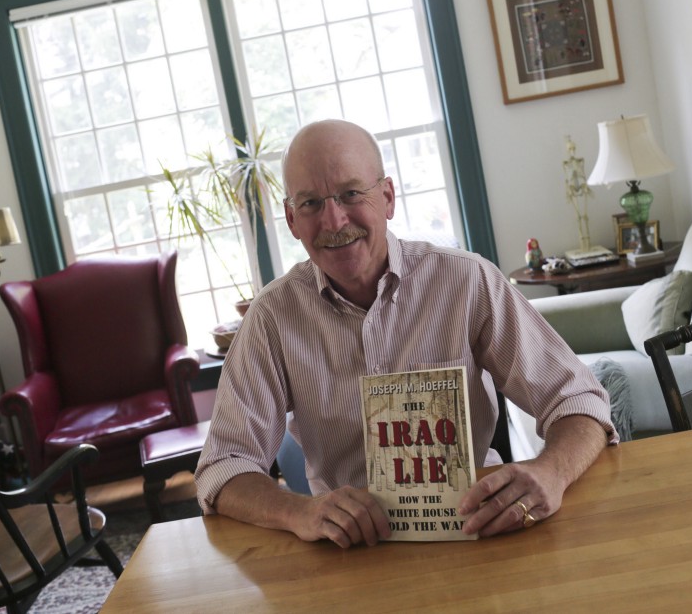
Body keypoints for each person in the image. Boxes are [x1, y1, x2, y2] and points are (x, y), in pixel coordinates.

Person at [195, 119, 617, 548]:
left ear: (388, 197)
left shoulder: (468, 282)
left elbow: (578, 399)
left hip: (481, 527)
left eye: (350, 194)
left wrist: (550, 473)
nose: (334, 220)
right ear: (290, 219)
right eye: (310, 203)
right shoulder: (273, 317)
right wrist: (297, 509)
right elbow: (223, 465)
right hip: (348, 550)